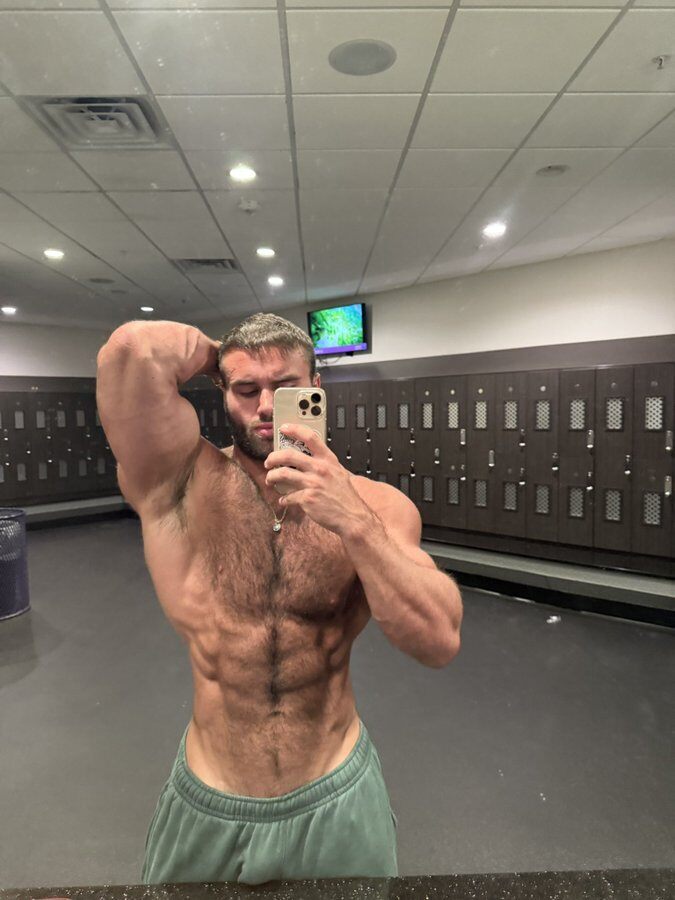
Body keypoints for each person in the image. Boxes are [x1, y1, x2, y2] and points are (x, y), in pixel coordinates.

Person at [95, 312, 463, 885]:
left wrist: (353, 522)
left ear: (316, 388)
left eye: (286, 387)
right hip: (209, 799)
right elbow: (131, 349)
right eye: (246, 390)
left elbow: (438, 640)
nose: (266, 407)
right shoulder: (176, 483)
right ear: (223, 392)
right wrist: (224, 355)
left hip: (335, 794)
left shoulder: (376, 506)